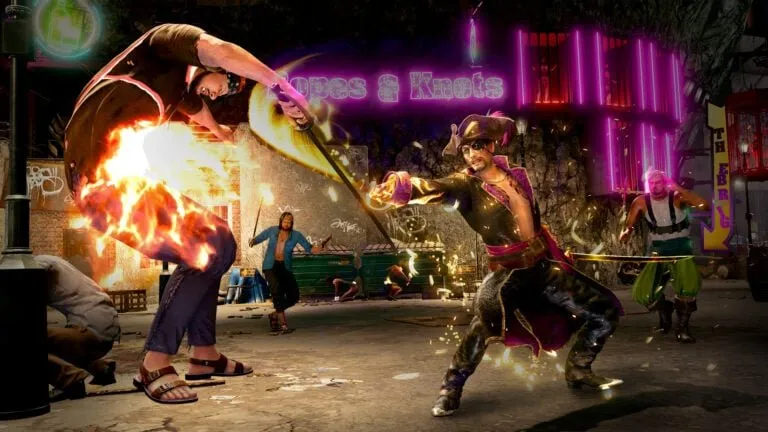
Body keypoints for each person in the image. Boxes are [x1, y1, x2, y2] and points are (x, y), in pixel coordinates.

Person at [64, 23, 311, 404]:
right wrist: (280, 86)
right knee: (211, 244)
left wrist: (221, 133)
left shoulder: (177, 89)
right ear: (208, 65)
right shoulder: (163, 43)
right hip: (103, 182)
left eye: (229, 92)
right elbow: (220, 49)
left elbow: (199, 111)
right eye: (227, 82)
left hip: (110, 183)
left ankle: (203, 354)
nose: (223, 91)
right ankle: (155, 362)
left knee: (218, 243)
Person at [368, 113, 623, 417]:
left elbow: (532, 224)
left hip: (544, 268)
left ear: (490, 146)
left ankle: (579, 368)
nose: (471, 155)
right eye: (465, 150)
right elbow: (433, 188)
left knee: (604, 311)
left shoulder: (517, 176)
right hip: (508, 276)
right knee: (483, 328)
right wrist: (399, 188)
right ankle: (451, 387)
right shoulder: (465, 185)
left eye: (477, 147)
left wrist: (553, 250)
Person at [620, 168, 710, 343]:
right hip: (658, 249)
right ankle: (665, 309)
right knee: (645, 292)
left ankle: (682, 329)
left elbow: (704, 205)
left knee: (687, 287)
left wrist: (679, 188)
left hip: (680, 247)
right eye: (651, 183)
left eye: (658, 182)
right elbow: (629, 225)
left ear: (665, 183)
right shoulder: (641, 202)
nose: (654, 186)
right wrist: (626, 233)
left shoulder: (677, 197)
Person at [37, 255, 120, 401]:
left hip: (91, 327)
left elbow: (40, 268)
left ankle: (71, 379)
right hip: (104, 326)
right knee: (58, 341)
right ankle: (100, 368)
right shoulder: (56, 262)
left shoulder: (40, 263)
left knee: (23, 340)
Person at [250, 212, 327, 334]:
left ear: (292, 223)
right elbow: (258, 239)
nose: (286, 224)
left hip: (285, 267)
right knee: (277, 292)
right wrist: (252, 241)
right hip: (270, 266)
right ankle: (283, 325)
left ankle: (275, 314)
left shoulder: (296, 235)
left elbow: (309, 248)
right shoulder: (272, 230)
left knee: (294, 296)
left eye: (289, 222)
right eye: (285, 221)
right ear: (281, 221)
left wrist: (319, 248)